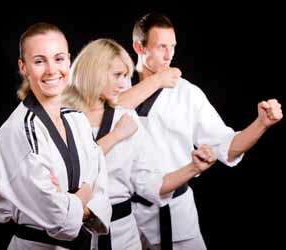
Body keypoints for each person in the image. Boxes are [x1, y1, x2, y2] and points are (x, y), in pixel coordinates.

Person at [116, 12, 284, 250]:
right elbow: (100, 116)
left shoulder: (188, 94)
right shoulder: (120, 87)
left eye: (172, 46)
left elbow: (227, 147)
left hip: (174, 215)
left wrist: (261, 124)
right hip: (126, 220)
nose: (169, 55)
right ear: (139, 47)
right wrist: (156, 81)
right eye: (161, 46)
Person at [62, 38, 217, 250]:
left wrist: (193, 168)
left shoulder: (127, 119)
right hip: (71, 235)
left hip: (123, 235)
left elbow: (148, 183)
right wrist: (117, 135)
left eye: (126, 76)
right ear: (94, 72)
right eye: (117, 75)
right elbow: (70, 170)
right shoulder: (64, 117)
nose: (124, 84)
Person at [0, 22, 111, 250]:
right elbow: (54, 214)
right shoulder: (19, 131)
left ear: (69, 61)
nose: (52, 70)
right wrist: (83, 196)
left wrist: (67, 198)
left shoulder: (77, 120)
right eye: (39, 61)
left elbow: (102, 185)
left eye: (59, 58)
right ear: (23, 67)